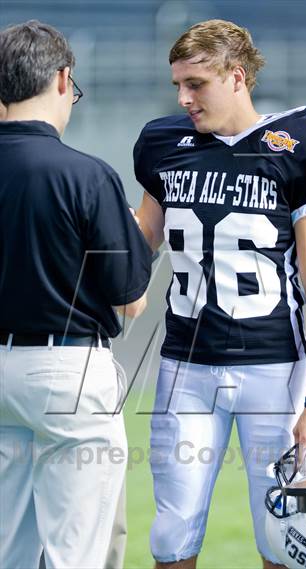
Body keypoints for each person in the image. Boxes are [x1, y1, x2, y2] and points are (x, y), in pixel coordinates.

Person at [134, 19, 306, 569]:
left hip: (273, 368)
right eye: (178, 85)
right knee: (171, 533)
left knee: (282, 534)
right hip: (184, 364)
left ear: (237, 77)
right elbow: (140, 246)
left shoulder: (304, 145)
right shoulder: (164, 144)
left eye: (197, 84)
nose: (184, 98)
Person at [0, 20, 151, 569]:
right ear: (63, 80)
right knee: (79, 553)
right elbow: (129, 297)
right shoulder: (86, 174)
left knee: (8, 551)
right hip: (66, 368)